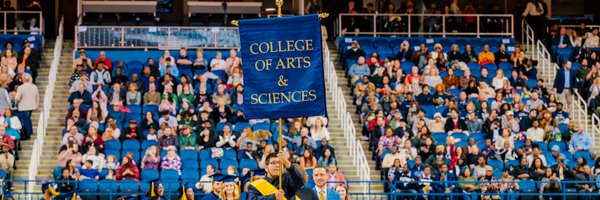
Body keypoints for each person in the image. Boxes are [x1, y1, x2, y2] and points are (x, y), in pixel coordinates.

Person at [14, 73, 37, 140]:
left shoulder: (21, 87)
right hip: (31, 106)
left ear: (23, 80)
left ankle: (27, 134)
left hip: (24, 106)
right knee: (28, 119)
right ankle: (30, 132)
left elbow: (17, 98)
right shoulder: (34, 87)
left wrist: (16, 104)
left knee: (25, 120)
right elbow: (37, 97)